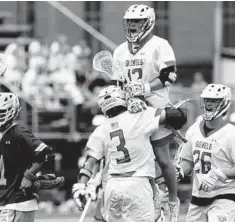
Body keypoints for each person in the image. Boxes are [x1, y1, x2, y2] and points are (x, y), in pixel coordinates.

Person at [72, 85, 187, 222]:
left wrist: (80, 185)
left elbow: (90, 162)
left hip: (112, 186)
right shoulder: (140, 116)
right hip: (137, 183)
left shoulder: (101, 129)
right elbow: (179, 116)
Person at [112, 4, 179, 220]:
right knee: (139, 159)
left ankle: (173, 200)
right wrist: (128, 98)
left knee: (162, 158)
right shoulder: (120, 51)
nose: (132, 25)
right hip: (132, 112)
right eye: (129, 21)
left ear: (148, 22)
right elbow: (118, 83)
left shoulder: (160, 45)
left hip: (156, 108)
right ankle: (155, 195)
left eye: (137, 21)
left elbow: (169, 76)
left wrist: (145, 88)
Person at [176, 84, 235, 222]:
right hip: (197, 197)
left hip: (223, 197)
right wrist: (178, 172)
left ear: (224, 103)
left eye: (214, 100)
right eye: (207, 100)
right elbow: (188, 161)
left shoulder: (232, 134)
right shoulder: (193, 130)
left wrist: (219, 174)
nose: (209, 103)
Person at [0, 93, 57, 222]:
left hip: (18, 199)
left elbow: (46, 152)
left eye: (1, 112)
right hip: (0, 199)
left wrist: (29, 176)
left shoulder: (19, 132)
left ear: (12, 111)